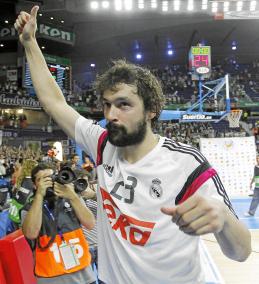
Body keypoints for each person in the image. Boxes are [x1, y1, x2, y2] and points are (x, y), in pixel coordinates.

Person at [15, 6, 251, 284]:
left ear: (151, 110)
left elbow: (242, 251)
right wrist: (30, 43)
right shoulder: (103, 145)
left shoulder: (187, 164)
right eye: (107, 105)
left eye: (124, 104)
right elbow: (54, 102)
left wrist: (222, 217)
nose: (111, 115)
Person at [21, 162, 96, 284]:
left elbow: (90, 223)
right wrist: (40, 195)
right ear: (35, 185)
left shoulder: (71, 198)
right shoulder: (29, 209)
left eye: (51, 177)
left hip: (84, 276)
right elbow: (31, 233)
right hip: (51, 278)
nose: (49, 182)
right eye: (42, 180)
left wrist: (73, 197)